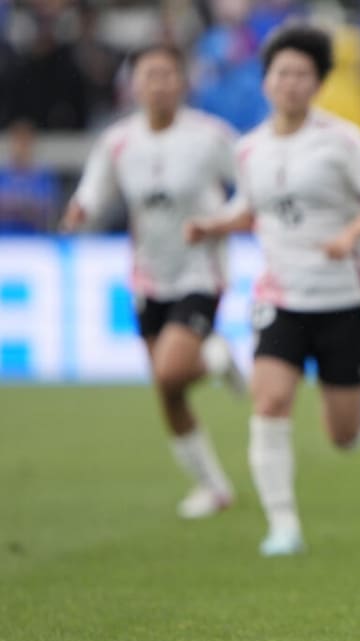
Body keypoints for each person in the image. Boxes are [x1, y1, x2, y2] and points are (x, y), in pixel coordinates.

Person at [186, 23, 360, 557]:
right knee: (269, 400)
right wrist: (213, 225)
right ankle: (283, 526)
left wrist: (351, 234)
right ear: (266, 81)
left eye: (302, 75)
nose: (290, 83)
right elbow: (252, 210)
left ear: (317, 83)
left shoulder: (341, 140)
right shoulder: (250, 149)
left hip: (344, 300)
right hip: (279, 298)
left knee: (343, 436)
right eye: (281, 73)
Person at [61, 45, 243, 520]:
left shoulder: (209, 136)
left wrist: (221, 223)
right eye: (149, 75)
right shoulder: (119, 141)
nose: (158, 84)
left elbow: (251, 183)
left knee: (169, 371)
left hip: (201, 269)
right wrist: (81, 208)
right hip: (148, 274)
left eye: (167, 75)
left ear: (182, 83)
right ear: (134, 84)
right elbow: (95, 188)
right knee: (169, 389)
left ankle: (216, 355)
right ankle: (212, 486)